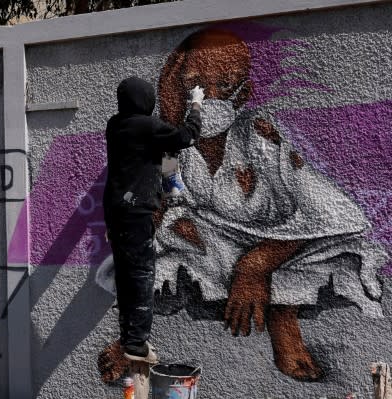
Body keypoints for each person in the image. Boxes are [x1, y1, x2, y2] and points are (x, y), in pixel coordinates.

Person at [151, 27, 386, 380]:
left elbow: (322, 210)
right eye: (196, 86)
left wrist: (257, 264)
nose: (210, 98)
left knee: (330, 250)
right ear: (177, 86)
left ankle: (282, 316)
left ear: (244, 93)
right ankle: (135, 342)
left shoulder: (258, 133)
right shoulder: (171, 144)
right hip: (211, 237)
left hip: (276, 236)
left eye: (225, 86)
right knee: (169, 238)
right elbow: (171, 201)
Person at [97, 77, 203, 379]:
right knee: (142, 276)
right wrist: (195, 105)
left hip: (116, 212)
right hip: (137, 212)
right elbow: (187, 136)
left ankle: (129, 337)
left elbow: (152, 151)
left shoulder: (115, 125)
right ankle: (136, 343)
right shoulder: (147, 126)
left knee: (126, 279)